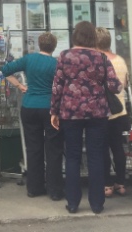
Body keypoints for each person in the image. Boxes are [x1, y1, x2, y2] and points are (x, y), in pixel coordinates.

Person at [50, 21, 121, 215]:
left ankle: (73, 203)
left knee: (72, 157)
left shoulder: (64, 56)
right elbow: (115, 86)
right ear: (93, 38)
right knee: (96, 156)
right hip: (97, 112)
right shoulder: (101, 57)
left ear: (75, 36)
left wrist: (54, 112)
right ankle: (97, 204)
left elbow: (57, 87)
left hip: (70, 112)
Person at [1, 32, 64, 200]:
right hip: (49, 109)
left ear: (39, 44)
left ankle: (34, 188)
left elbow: (5, 70)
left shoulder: (28, 59)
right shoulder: (56, 64)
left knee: (33, 148)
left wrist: (20, 86)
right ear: (54, 46)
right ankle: (55, 190)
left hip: (29, 106)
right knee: (53, 149)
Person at [96, 26, 130, 198]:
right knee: (118, 147)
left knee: (102, 149)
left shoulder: (98, 62)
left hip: (103, 112)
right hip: (120, 111)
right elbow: (124, 84)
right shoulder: (121, 61)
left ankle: (107, 185)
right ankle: (121, 183)